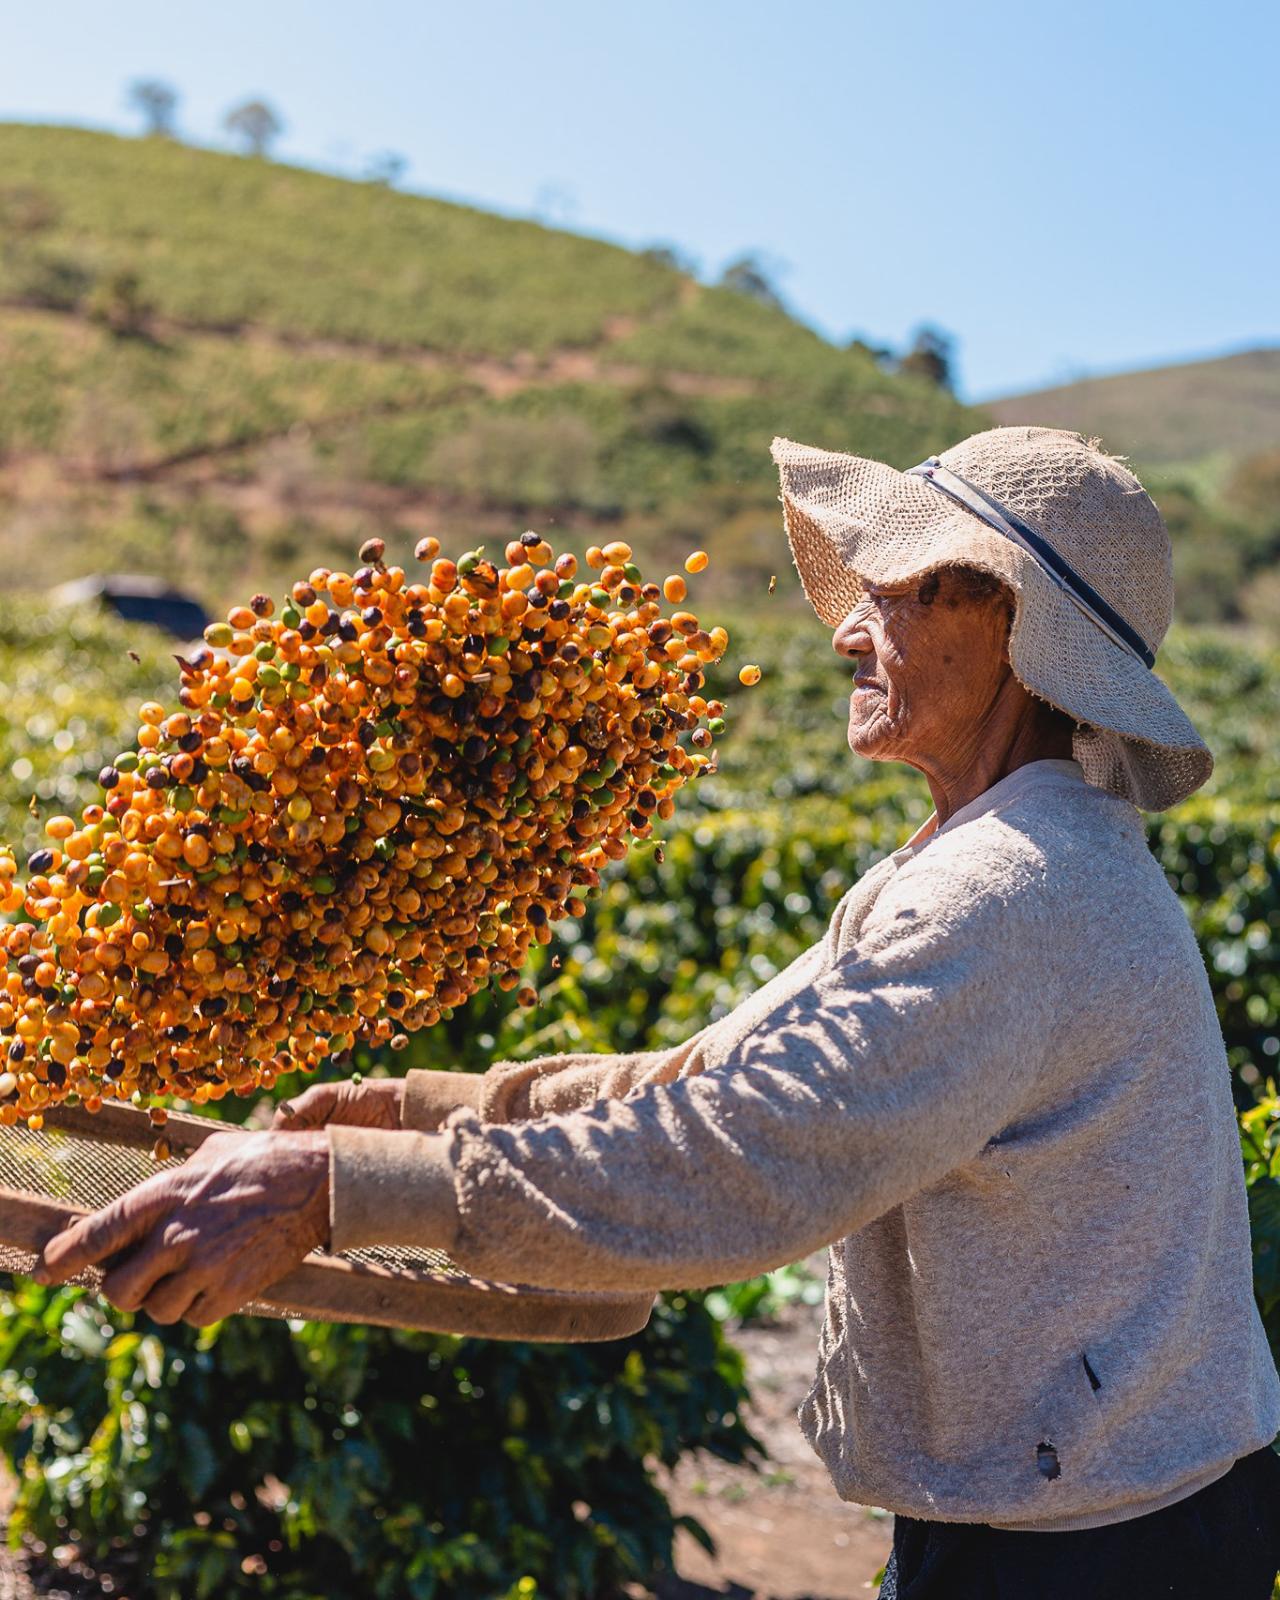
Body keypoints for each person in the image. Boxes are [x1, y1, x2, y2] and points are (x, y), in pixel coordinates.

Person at [37, 426, 1280, 1598]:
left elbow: (740, 1159)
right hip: (1071, 1499)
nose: (848, 630)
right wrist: (426, 1112)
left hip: (1103, 1545)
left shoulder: (1012, 897)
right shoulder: (985, 856)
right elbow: (711, 1075)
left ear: (1008, 623)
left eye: (891, 590)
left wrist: (330, 1187)